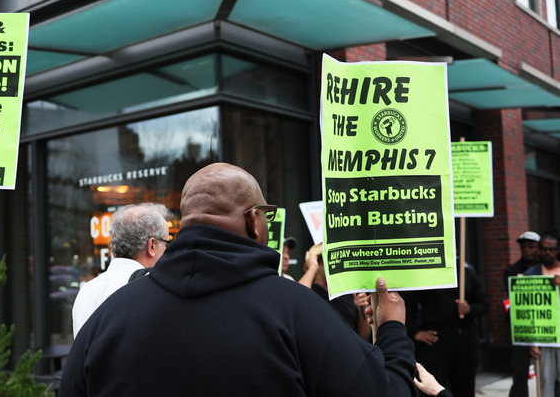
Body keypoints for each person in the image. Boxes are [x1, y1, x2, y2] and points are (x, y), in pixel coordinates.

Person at [60, 162, 417, 397]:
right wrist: (392, 331)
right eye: (266, 214)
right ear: (254, 221)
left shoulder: (108, 318)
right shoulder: (295, 310)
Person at [71, 202, 172, 338]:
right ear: (152, 246)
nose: (167, 251)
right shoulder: (153, 289)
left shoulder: (86, 291)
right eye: (166, 243)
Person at [404, 258, 490, 397]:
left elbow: (484, 304)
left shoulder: (466, 270)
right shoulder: (425, 270)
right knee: (433, 388)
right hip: (436, 338)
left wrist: (470, 309)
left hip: (465, 337)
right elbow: (408, 304)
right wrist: (415, 332)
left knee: (465, 387)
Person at [298, 243, 371, 339]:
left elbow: (363, 335)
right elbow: (298, 297)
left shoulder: (347, 292)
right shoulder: (312, 291)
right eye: (329, 258)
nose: (335, 262)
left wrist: (361, 310)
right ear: (317, 263)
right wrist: (312, 268)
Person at [504, 230, 540, 397]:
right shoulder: (512, 271)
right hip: (522, 328)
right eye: (524, 247)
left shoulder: (548, 269)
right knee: (520, 373)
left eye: (531, 247)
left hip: (545, 326)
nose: (527, 250)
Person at [525, 229, 560, 397]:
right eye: (544, 248)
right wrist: (532, 341)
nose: (548, 252)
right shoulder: (530, 275)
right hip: (544, 338)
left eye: (552, 249)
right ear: (539, 249)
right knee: (545, 382)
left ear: (558, 250)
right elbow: (525, 310)